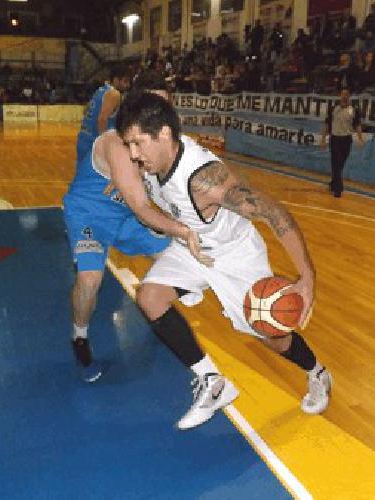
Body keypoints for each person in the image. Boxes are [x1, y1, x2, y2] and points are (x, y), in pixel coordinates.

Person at [113, 91, 333, 430]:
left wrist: (307, 277)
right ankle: (212, 383)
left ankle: (317, 372)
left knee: (272, 335)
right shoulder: (153, 159)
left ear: (165, 135)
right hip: (192, 248)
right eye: (128, 145)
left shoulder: (205, 180)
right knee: (150, 296)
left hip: (235, 256)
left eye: (138, 144)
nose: (133, 154)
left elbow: (274, 213)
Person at [63, 67, 184, 383]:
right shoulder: (117, 141)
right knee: (90, 279)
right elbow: (143, 205)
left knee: (178, 260)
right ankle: (79, 336)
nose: (161, 115)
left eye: (166, 109)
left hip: (125, 215)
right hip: (90, 214)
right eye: (155, 106)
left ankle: (157, 305)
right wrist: (182, 227)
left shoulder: (160, 137)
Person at [321, 88, 365, 198]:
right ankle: (338, 189)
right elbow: (327, 124)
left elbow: (358, 125)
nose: (344, 96)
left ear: (349, 96)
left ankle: (333, 182)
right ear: (340, 96)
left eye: (347, 94)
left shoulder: (353, 110)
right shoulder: (333, 109)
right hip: (335, 138)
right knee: (336, 162)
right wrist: (323, 139)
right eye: (343, 94)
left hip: (346, 140)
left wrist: (360, 138)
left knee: (340, 163)